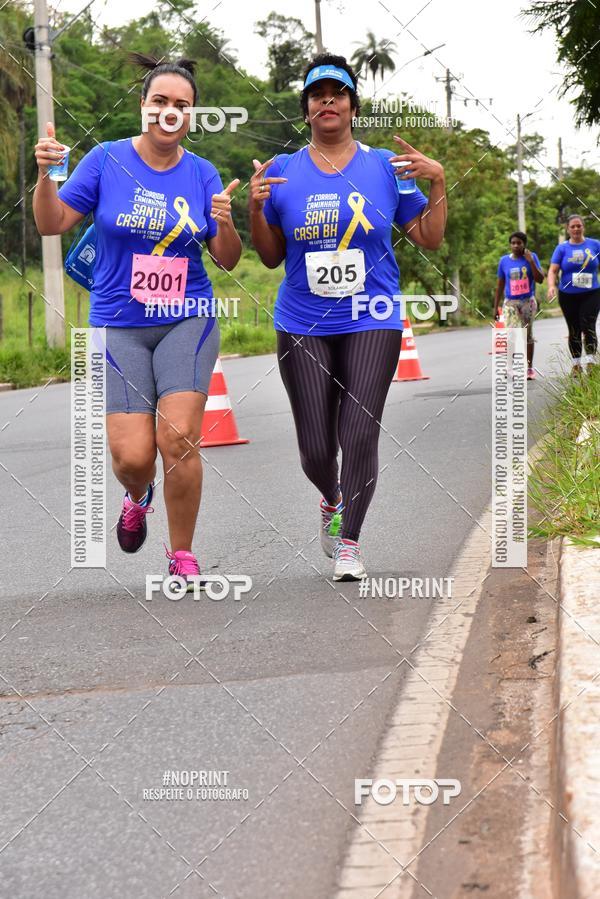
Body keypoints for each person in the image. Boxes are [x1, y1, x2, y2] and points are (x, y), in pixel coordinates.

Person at [33, 53, 242, 589]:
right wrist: (45, 177)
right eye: (160, 102)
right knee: (131, 456)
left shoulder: (203, 172)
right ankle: (136, 496)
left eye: (182, 106)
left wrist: (224, 221)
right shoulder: (105, 160)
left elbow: (227, 258)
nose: (169, 113)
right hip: (117, 322)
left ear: (192, 115)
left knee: (179, 437)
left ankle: (182, 553)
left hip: (186, 319)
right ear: (143, 105)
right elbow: (52, 223)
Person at [249, 53, 446, 581]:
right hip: (302, 322)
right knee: (317, 447)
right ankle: (331, 497)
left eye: (338, 93)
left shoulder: (385, 166)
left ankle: (350, 543)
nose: (328, 101)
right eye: (318, 95)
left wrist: (438, 182)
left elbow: (427, 236)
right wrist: (253, 207)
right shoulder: (284, 172)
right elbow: (269, 256)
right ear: (307, 110)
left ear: (353, 106)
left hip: (373, 316)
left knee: (359, 432)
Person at [548, 215, 600, 374]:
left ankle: (591, 362)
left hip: (591, 293)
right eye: (573, 226)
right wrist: (551, 286)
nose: (576, 229)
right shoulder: (562, 248)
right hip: (568, 294)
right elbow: (553, 270)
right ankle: (576, 365)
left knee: (588, 325)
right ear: (568, 229)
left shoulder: (595, 245)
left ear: (583, 227)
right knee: (574, 328)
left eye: (579, 226)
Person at [494, 231, 544, 379]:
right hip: (510, 302)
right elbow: (500, 285)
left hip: (528, 301)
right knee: (511, 334)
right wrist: (495, 307)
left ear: (524, 244)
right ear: (510, 245)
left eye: (519, 243)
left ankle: (529, 368)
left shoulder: (532, 257)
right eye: (513, 243)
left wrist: (531, 262)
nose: (516, 246)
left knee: (527, 335)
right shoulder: (504, 261)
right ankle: (510, 368)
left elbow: (540, 279)